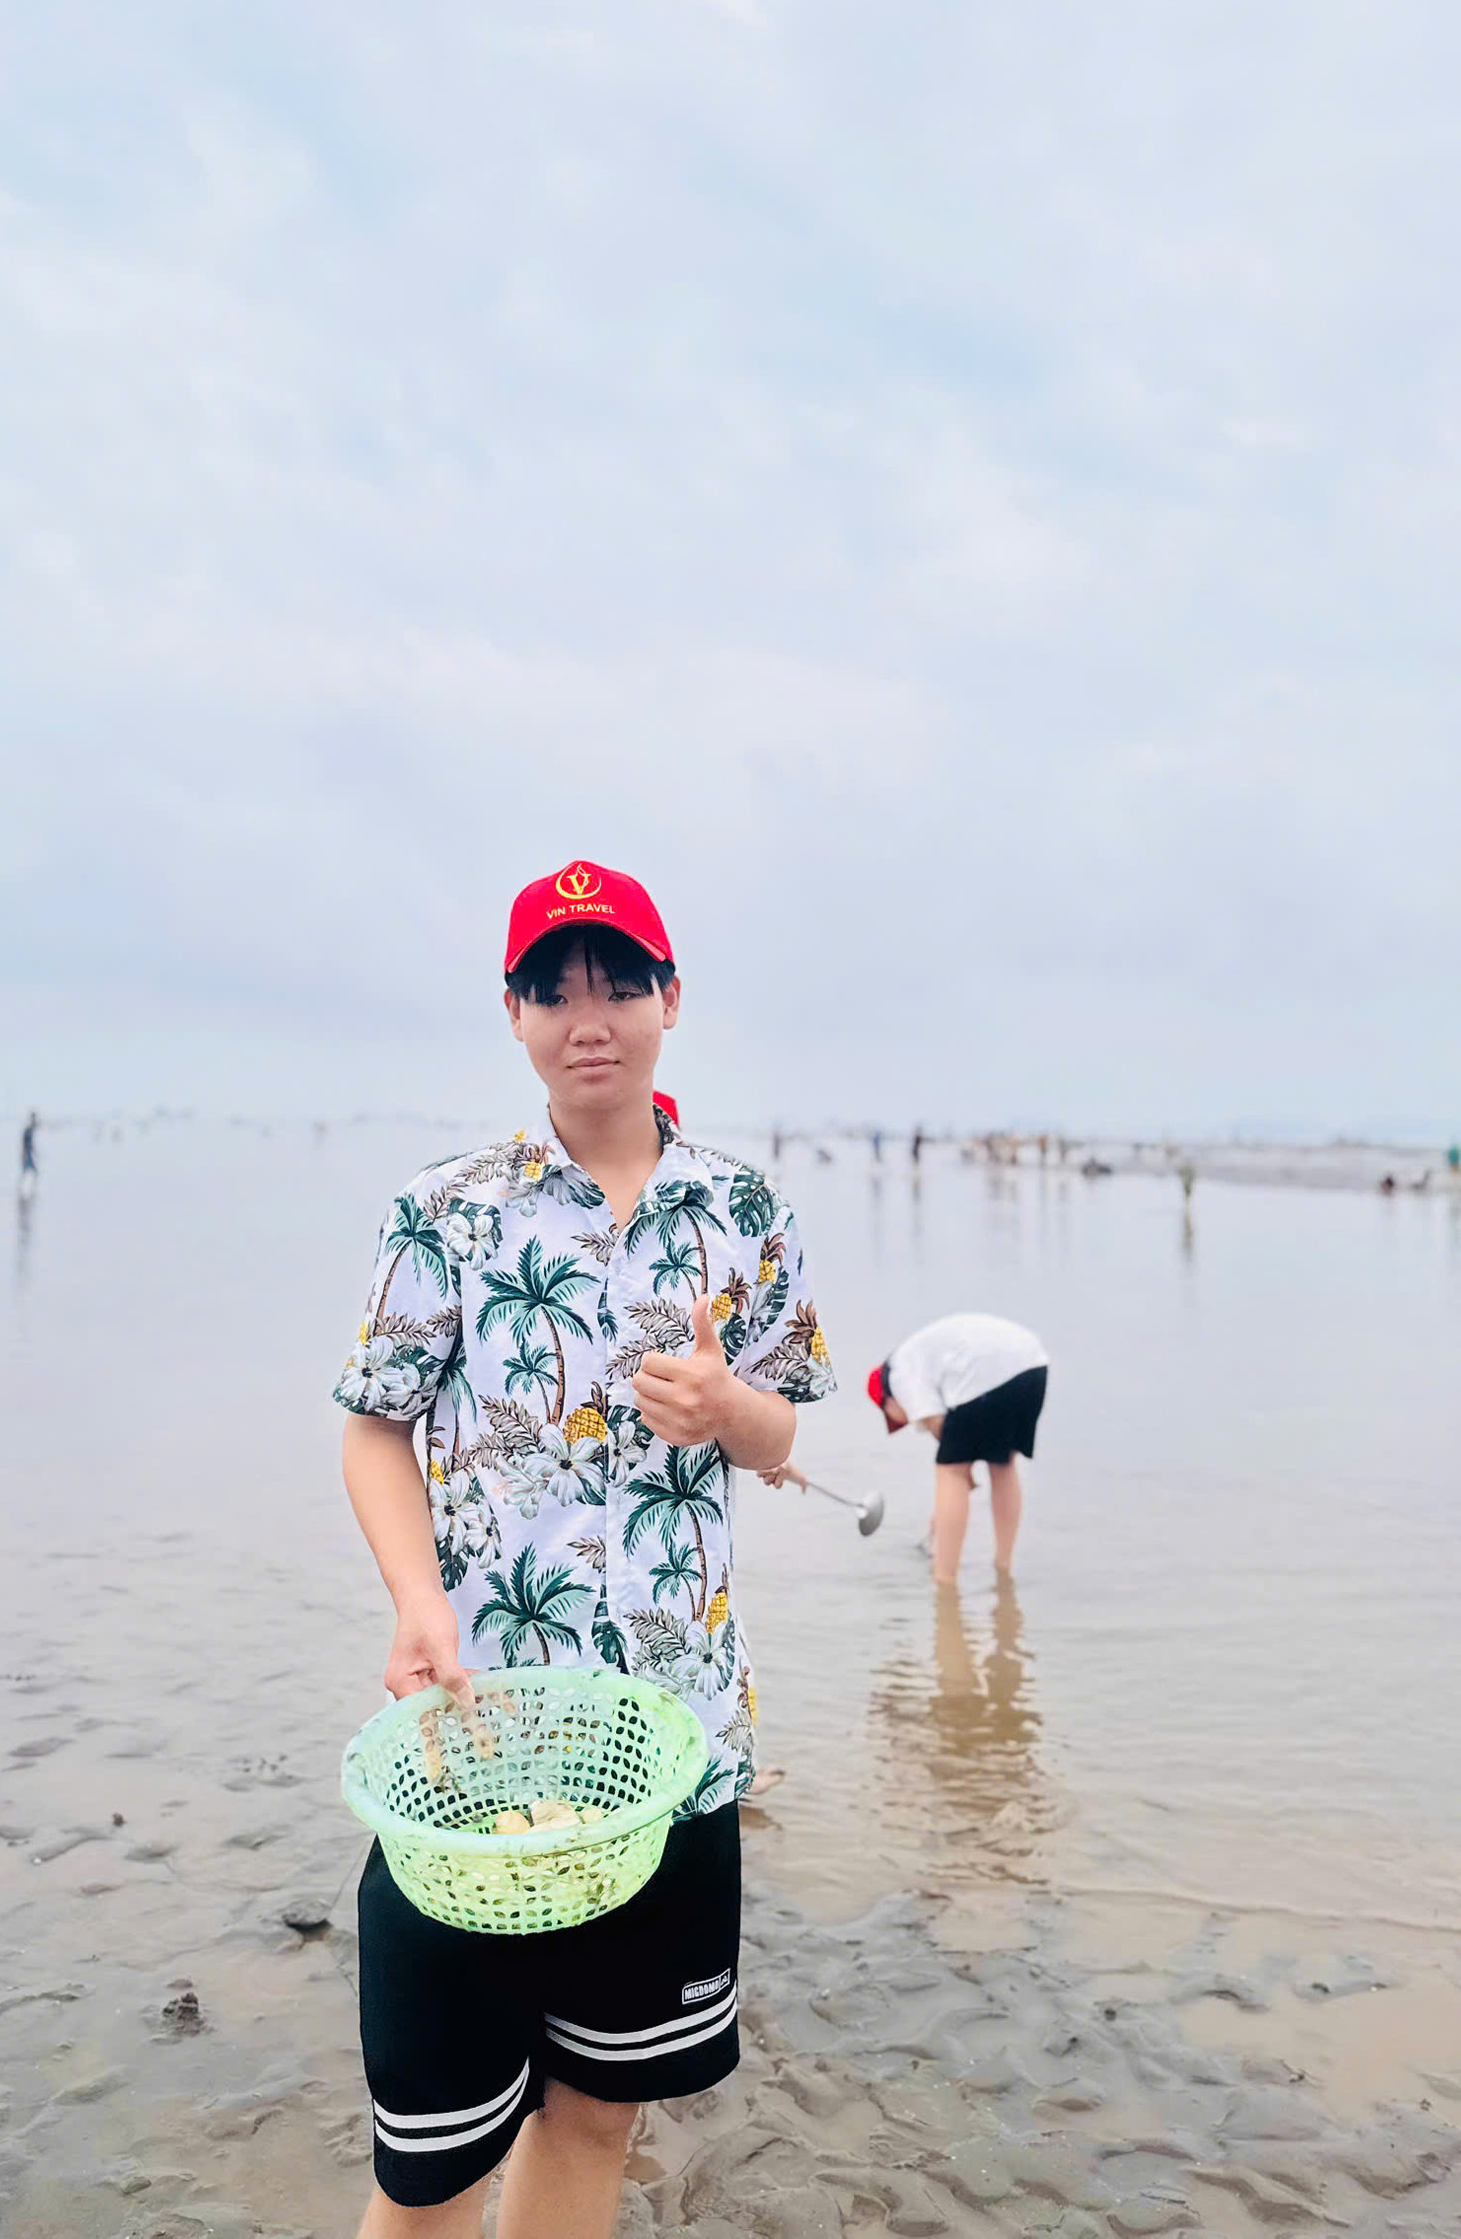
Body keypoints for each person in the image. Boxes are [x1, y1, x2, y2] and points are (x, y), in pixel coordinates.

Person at [333, 859, 834, 2238]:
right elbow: (373, 1427)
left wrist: (730, 1409)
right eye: (553, 990)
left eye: (618, 983)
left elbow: (783, 1436)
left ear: (672, 998)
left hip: (678, 1740)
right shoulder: (447, 1209)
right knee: (431, 2157)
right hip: (479, 1742)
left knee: (601, 2111)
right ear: (515, 1016)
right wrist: (416, 1599)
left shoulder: (745, 1213)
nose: (588, 1017)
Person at [867, 1312, 1047, 1583]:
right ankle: (1003, 1567)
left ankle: (945, 1581)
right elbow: (962, 1436)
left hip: (986, 1374)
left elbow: (940, 1428)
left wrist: (957, 1484)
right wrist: (966, 1471)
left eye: (891, 1417)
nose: (902, 1422)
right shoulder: (919, 1354)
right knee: (1003, 1463)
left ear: (886, 1399)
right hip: (1033, 1364)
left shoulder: (898, 1373)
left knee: (949, 1472)